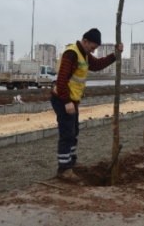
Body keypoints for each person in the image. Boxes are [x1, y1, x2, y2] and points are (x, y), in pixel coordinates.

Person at [51, 28, 123, 180]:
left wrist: (115, 55)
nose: (93, 51)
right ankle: (64, 169)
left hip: (72, 101)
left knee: (74, 132)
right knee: (67, 134)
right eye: (92, 48)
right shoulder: (71, 54)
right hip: (63, 100)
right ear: (85, 41)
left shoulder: (84, 54)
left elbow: (97, 65)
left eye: (95, 49)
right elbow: (61, 80)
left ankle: (71, 162)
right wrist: (67, 102)